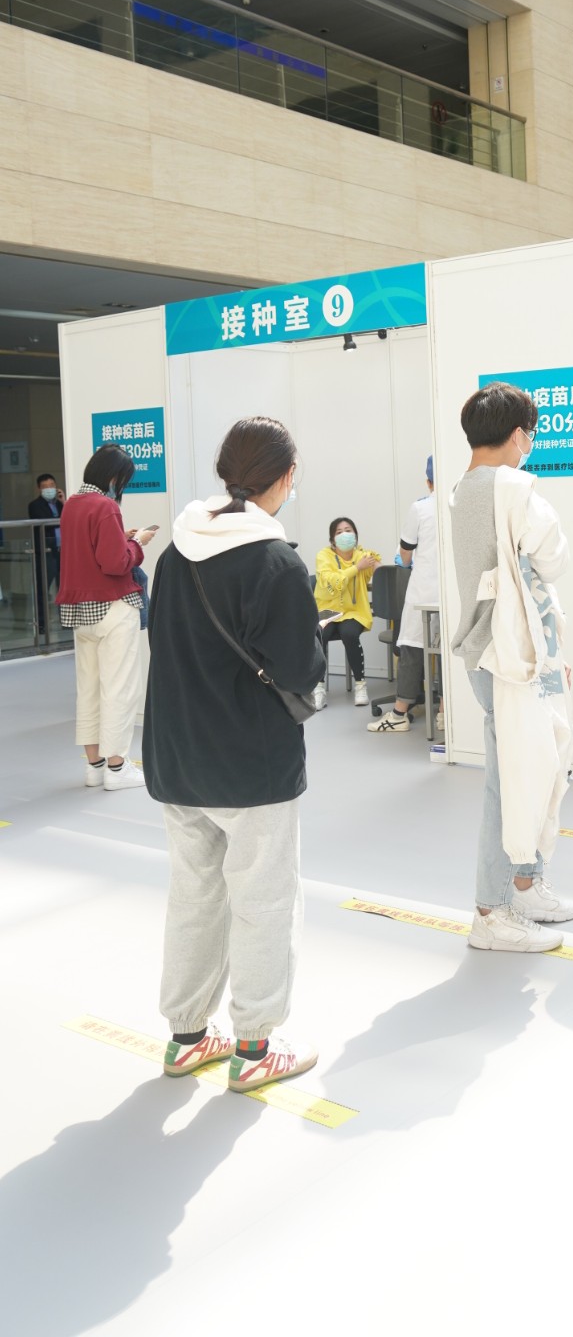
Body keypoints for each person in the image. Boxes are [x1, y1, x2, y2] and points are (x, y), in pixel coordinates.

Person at [143, 416, 325, 1092]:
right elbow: (300, 671)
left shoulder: (175, 551)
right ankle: (254, 1047)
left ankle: (188, 1037)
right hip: (252, 762)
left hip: (177, 754)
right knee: (263, 900)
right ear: (285, 477)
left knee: (193, 897)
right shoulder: (276, 561)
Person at [450, 383, 573, 953]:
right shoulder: (515, 488)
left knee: (531, 769)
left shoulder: (461, 490)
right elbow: (555, 558)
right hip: (512, 654)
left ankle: (523, 885)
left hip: (493, 649)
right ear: (520, 434)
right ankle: (491, 910)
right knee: (514, 782)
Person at [56, 447, 155, 791]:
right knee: (119, 688)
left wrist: (121, 539)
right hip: (113, 607)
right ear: (114, 477)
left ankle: (94, 766)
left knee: (89, 689)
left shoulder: (72, 505)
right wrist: (138, 544)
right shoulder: (106, 506)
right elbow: (116, 564)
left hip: (80, 611)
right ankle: (117, 768)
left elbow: (87, 551)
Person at [368, 456, 439, 733]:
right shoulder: (457, 504)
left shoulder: (420, 508)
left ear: (428, 481)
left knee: (411, 648)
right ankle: (445, 713)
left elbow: (405, 554)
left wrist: (405, 561)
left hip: (423, 591)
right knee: (446, 652)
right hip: (449, 595)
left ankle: (399, 714)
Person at [314, 517, 380, 706]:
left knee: (349, 633)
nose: (344, 534)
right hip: (327, 610)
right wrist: (356, 568)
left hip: (354, 610)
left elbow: (380, 571)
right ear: (332, 539)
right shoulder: (324, 556)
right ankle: (318, 687)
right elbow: (333, 580)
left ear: (356, 535)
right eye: (339, 532)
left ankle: (360, 685)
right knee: (320, 633)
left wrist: (374, 564)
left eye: (348, 530)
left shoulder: (362, 556)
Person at [28, 473, 64, 631]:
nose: (49, 489)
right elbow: (47, 522)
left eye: (52, 485)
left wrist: (64, 502)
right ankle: (41, 623)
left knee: (64, 587)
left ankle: (66, 620)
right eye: (45, 486)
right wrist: (61, 520)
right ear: (39, 489)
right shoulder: (34, 505)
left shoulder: (61, 504)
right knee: (43, 588)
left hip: (62, 551)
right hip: (46, 551)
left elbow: (71, 519)